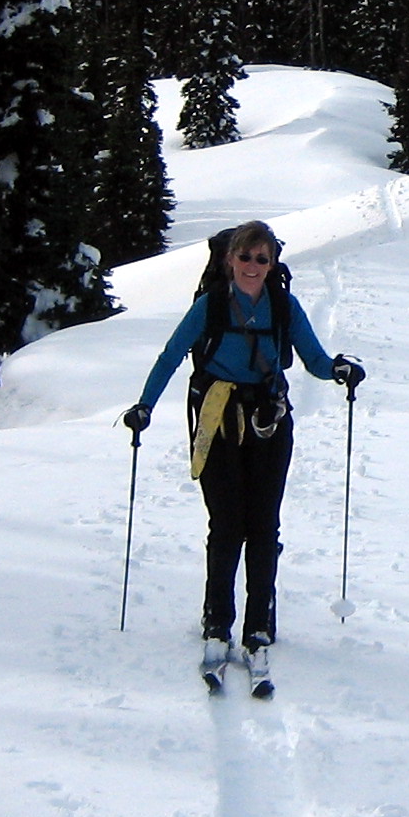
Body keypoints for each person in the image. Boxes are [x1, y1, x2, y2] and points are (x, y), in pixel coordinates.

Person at [124, 220, 363, 691]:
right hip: (216, 421)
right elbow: (172, 355)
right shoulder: (210, 304)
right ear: (230, 259)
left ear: (272, 264)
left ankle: (259, 625)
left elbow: (313, 358)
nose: (253, 266)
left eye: (262, 259)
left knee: (263, 524)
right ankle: (218, 621)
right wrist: (144, 406)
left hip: (269, 421)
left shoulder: (283, 305)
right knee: (226, 523)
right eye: (246, 257)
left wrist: (338, 369)